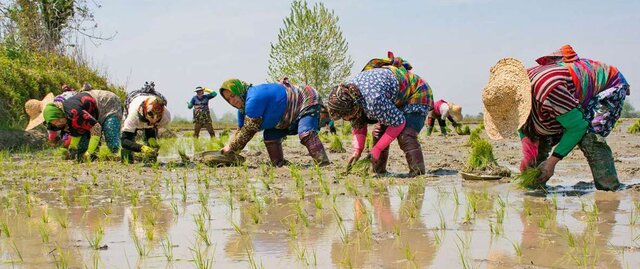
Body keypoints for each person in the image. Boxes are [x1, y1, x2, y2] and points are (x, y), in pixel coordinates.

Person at [482, 45, 630, 191]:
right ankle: (535, 186)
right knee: (537, 139)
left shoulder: (548, 90)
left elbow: (577, 127)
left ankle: (609, 189)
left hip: (607, 85)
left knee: (590, 137)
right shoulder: (513, 97)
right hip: (564, 97)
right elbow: (526, 128)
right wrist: (528, 159)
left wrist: (552, 161)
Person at [326, 52, 434, 176]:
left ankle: (418, 174)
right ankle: (379, 171)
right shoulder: (349, 94)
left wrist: (376, 149)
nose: (346, 119)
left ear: (354, 106)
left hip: (416, 92)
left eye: (346, 116)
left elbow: (398, 123)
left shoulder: (373, 100)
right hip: (394, 97)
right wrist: (357, 150)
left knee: (406, 135)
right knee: (378, 133)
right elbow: (358, 124)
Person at [219, 78, 330, 166]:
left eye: (233, 96)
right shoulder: (242, 109)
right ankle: (278, 163)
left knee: (306, 133)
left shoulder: (253, 99)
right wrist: (231, 151)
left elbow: (248, 130)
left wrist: (231, 147)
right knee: (270, 135)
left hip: (305, 98)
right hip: (285, 115)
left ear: (239, 91)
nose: (232, 101)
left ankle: (323, 163)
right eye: (228, 99)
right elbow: (240, 130)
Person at [42, 89, 123, 161]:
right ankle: (94, 154)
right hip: (91, 113)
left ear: (60, 114)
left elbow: (96, 127)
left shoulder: (74, 112)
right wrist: (72, 148)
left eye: (58, 120)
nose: (58, 124)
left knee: (110, 130)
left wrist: (89, 152)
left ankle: (117, 153)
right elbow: (77, 131)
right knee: (81, 151)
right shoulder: (65, 118)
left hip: (107, 103)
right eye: (54, 123)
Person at [121, 82, 171, 163]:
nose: (154, 119)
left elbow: (155, 129)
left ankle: (151, 159)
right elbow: (124, 141)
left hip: (155, 97)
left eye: (158, 116)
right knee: (129, 140)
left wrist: (153, 142)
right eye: (151, 115)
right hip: (133, 98)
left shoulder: (166, 117)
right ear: (144, 111)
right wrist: (141, 148)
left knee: (151, 139)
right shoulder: (133, 115)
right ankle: (127, 159)